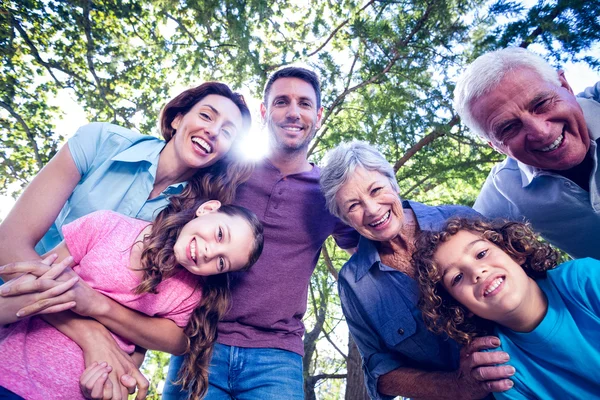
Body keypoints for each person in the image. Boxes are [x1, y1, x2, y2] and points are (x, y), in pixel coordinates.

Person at [0, 81, 252, 398]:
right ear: (177, 118)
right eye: (207, 115)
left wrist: (121, 364)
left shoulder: (185, 229)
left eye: (228, 132)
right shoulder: (99, 141)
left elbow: (151, 312)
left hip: (75, 365)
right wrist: (89, 331)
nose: (214, 131)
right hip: (15, 299)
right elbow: (8, 246)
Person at [163, 67, 359, 399]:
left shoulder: (331, 192)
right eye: (282, 102)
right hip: (200, 341)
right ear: (265, 112)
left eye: (304, 104)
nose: (293, 112)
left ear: (318, 114)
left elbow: (375, 242)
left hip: (277, 355)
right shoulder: (227, 169)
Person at [0, 198, 264, 400]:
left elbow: (134, 358)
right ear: (207, 209)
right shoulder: (107, 226)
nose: (209, 251)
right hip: (8, 374)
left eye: (221, 262)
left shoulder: (190, 295)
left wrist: (107, 389)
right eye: (220, 235)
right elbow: (19, 293)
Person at [319, 140, 514, 400]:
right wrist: (456, 386)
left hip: (527, 380)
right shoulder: (354, 284)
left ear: (393, 183)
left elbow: (532, 280)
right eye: (353, 206)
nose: (372, 210)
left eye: (376, 190)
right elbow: (380, 370)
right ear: (344, 218)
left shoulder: (461, 220)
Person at [414, 217, 600, 399]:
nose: (477, 272)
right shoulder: (500, 369)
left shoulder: (585, 279)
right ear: (460, 307)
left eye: (481, 254)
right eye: (457, 277)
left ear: (513, 252)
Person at [453, 47, 600, 259]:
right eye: (509, 127)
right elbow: (456, 249)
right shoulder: (505, 189)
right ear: (495, 146)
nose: (541, 132)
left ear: (566, 86)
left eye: (541, 104)